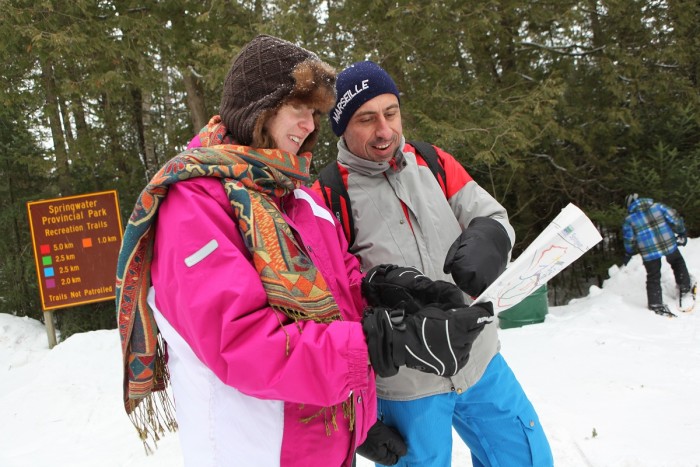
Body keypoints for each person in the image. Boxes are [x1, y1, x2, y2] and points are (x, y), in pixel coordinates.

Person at [115, 36, 493, 467]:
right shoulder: (195, 206)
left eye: (314, 113)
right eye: (299, 109)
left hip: (330, 439)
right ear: (259, 108)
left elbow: (342, 281)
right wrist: (380, 345)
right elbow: (241, 342)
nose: (310, 125)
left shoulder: (296, 196)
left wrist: (384, 287)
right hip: (261, 450)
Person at [312, 60, 553, 467]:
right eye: (367, 119)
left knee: (529, 459)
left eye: (391, 113)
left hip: (480, 358)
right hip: (406, 387)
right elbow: (329, 310)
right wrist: (358, 415)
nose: (385, 130)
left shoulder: (433, 161)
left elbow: (493, 218)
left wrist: (488, 240)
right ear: (342, 128)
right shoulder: (327, 197)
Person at [622, 193, 696, 316]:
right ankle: (684, 288)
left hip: (648, 252)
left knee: (653, 276)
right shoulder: (658, 207)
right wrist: (681, 232)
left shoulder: (629, 220)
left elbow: (629, 239)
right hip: (668, 244)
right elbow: (675, 218)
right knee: (677, 262)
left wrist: (629, 252)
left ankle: (655, 303)